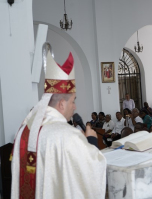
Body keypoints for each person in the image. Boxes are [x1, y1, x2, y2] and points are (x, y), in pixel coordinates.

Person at [11, 50, 106, 198]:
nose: (74, 107)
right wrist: (91, 141)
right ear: (62, 104)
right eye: (73, 101)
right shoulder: (67, 135)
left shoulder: (26, 129)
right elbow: (91, 171)